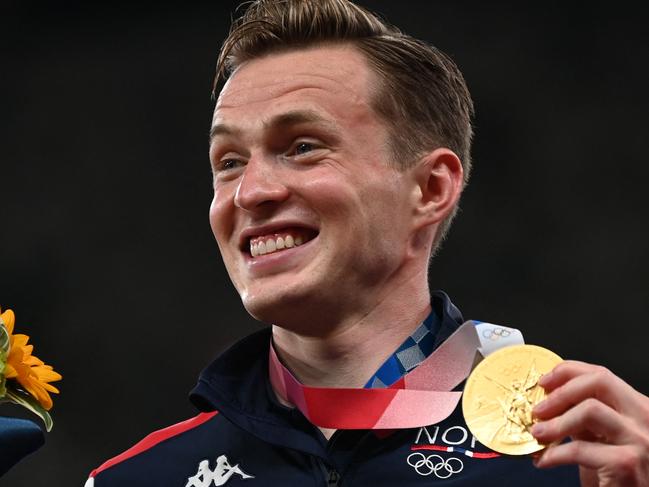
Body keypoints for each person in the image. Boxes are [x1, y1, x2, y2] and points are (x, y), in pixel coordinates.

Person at [85, 1, 649, 485]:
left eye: (303, 146)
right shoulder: (138, 478)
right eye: (228, 162)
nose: (250, 192)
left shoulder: (586, 456)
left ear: (430, 189)